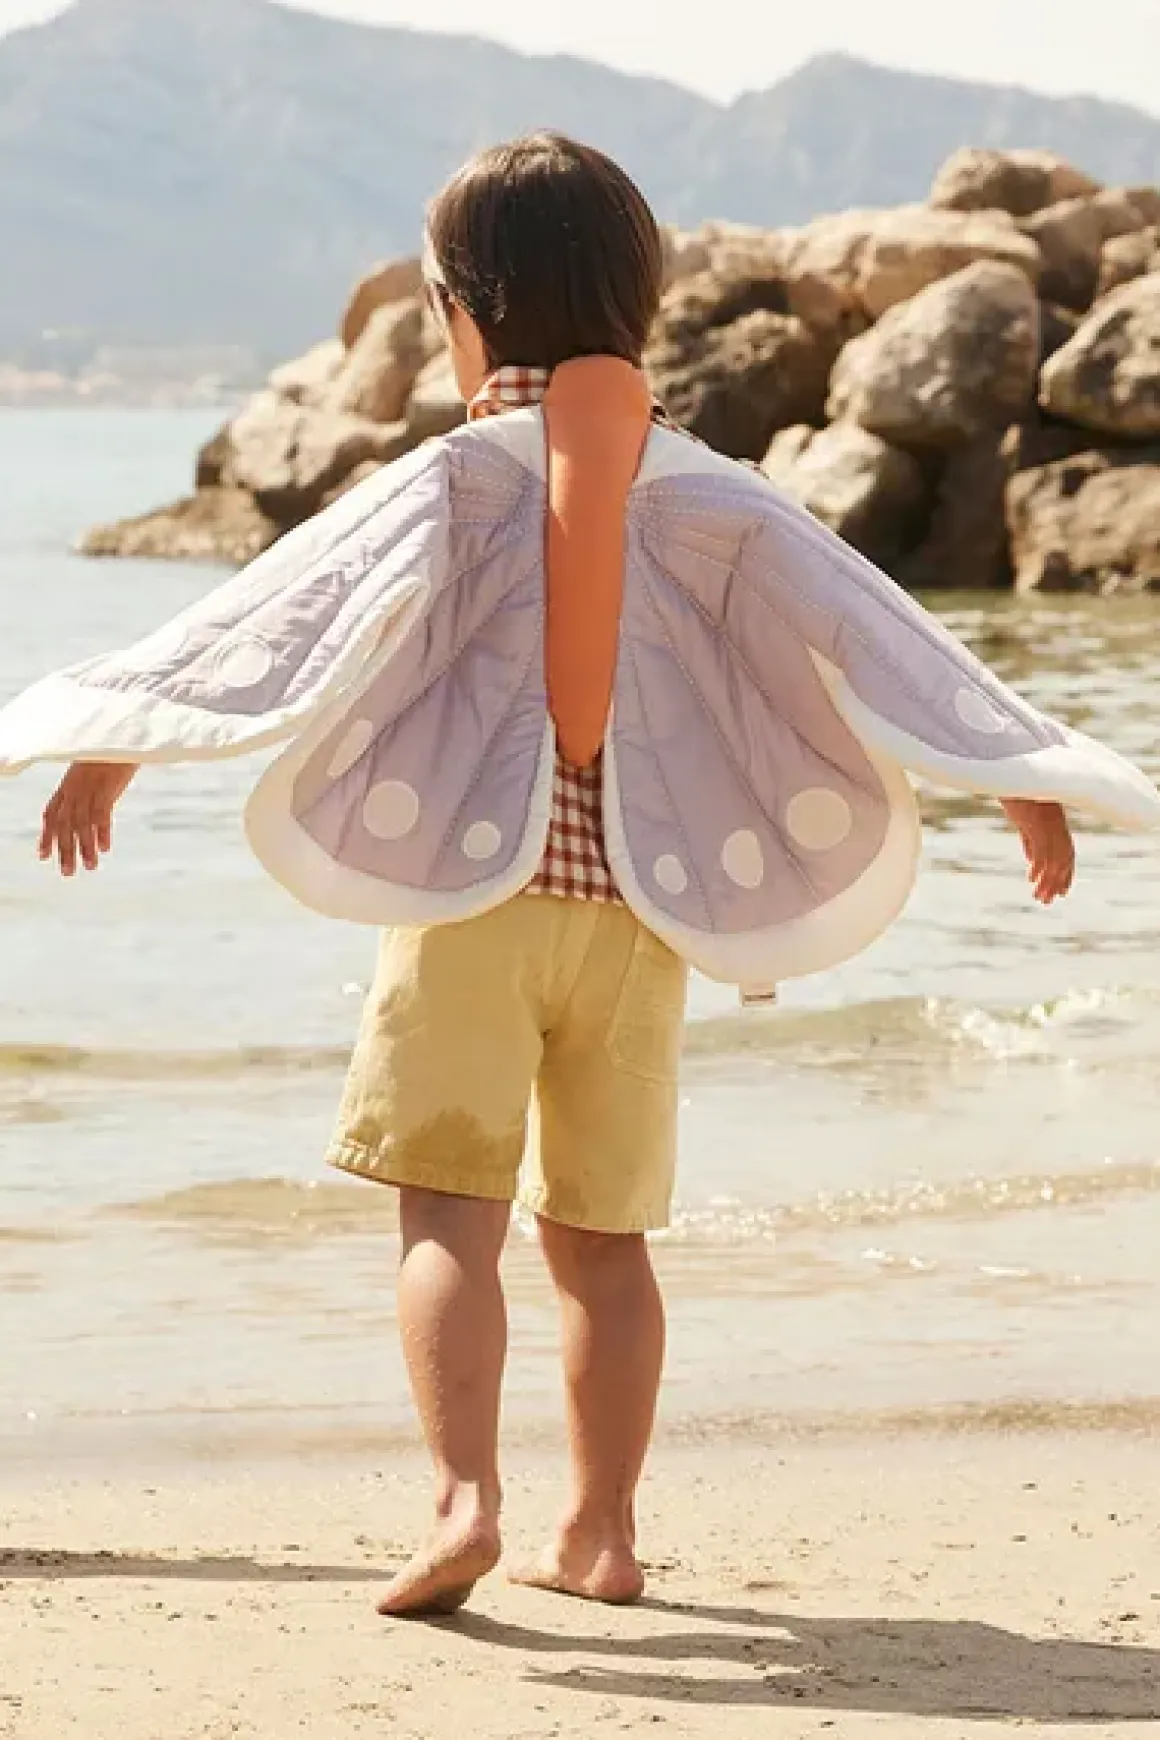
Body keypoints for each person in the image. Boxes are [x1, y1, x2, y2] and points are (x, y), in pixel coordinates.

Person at [6, 134, 1158, 1622]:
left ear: (459, 314)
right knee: (604, 1244)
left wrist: (116, 739)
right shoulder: (718, 495)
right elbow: (881, 635)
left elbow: (269, 622)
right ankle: (603, 1531)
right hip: (641, 914)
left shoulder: (443, 480)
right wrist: (1024, 771)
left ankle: (463, 1503)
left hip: (466, 899)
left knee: (447, 1216)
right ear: (642, 302)